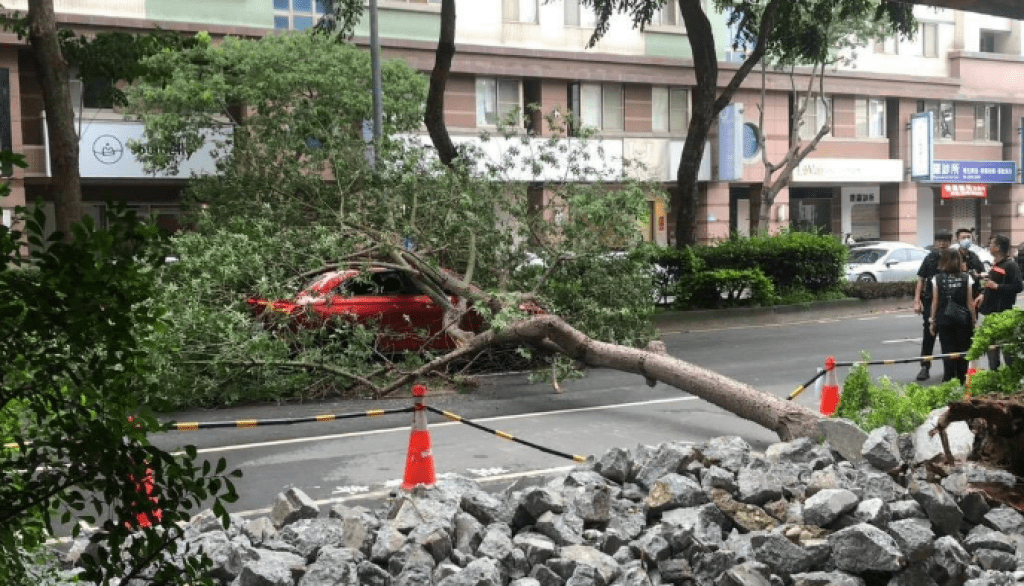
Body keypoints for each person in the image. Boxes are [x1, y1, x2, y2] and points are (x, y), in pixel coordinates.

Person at [974, 234, 1023, 369]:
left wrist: (997, 287)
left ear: (998, 248)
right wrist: (983, 294)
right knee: (992, 350)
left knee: (1007, 351)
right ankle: (994, 374)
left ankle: (1010, 376)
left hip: (1003, 314)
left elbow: (1018, 287)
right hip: (990, 314)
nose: (989, 246)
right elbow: (990, 284)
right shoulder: (995, 264)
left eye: (991, 244)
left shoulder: (1010, 265)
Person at [930, 248, 976, 384]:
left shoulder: (937, 279)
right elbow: (970, 303)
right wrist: (973, 321)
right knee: (963, 352)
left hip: (944, 320)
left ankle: (949, 381)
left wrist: (932, 321)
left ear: (944, 261)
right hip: (963, 321)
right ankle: (963, 381)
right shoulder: (967, 278)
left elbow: (935, 302)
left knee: (948, 353)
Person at [914, 231, 952, 381]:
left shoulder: (954, 258)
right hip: (930, 301)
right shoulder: (930, 258)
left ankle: (949, 369)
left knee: (947, 335)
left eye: (945, 241)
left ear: (950, 242)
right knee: (929, 334)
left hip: (948, 302)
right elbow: (921, 279)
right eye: (939, 241)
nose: (942, 244)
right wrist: (917, 300)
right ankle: (925, 367)